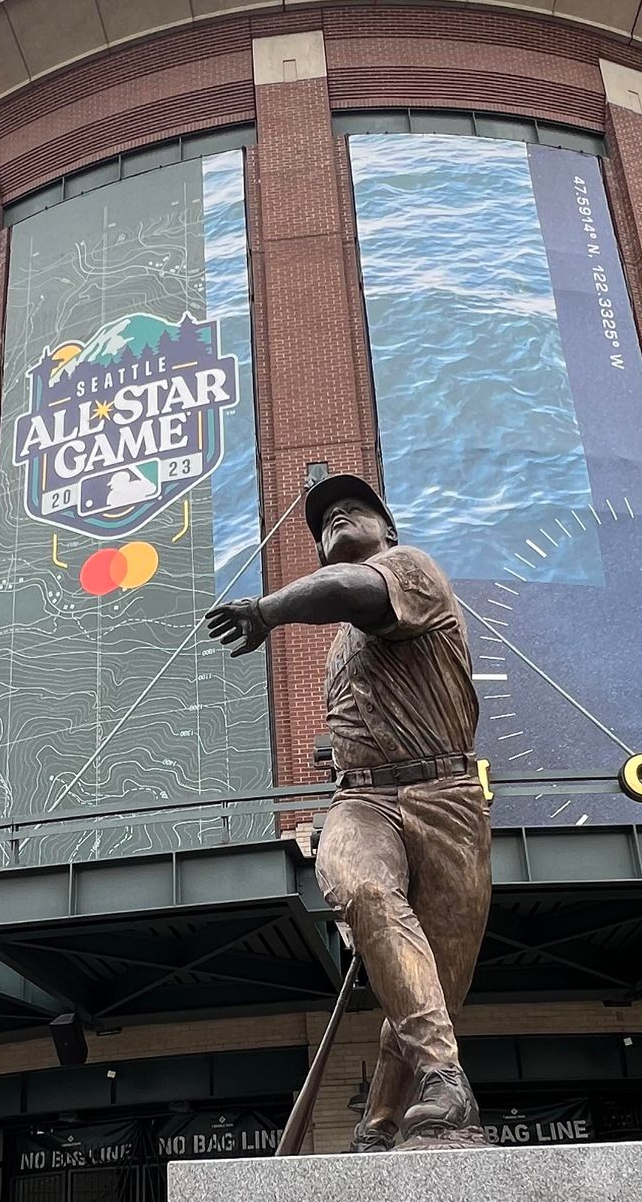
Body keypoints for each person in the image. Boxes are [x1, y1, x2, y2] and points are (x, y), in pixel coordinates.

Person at [206, 465, 491, 1146]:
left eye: (352, 508)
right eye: (323, 517)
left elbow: (348, 589)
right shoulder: (339, 646)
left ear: (387, 530)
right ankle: (446, 1081)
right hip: (364, 799)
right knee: (359, 884)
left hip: (447, 799)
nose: (334, 515)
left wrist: (267, 609)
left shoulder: (409, 570)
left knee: (430, 990)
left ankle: (382, 1123)